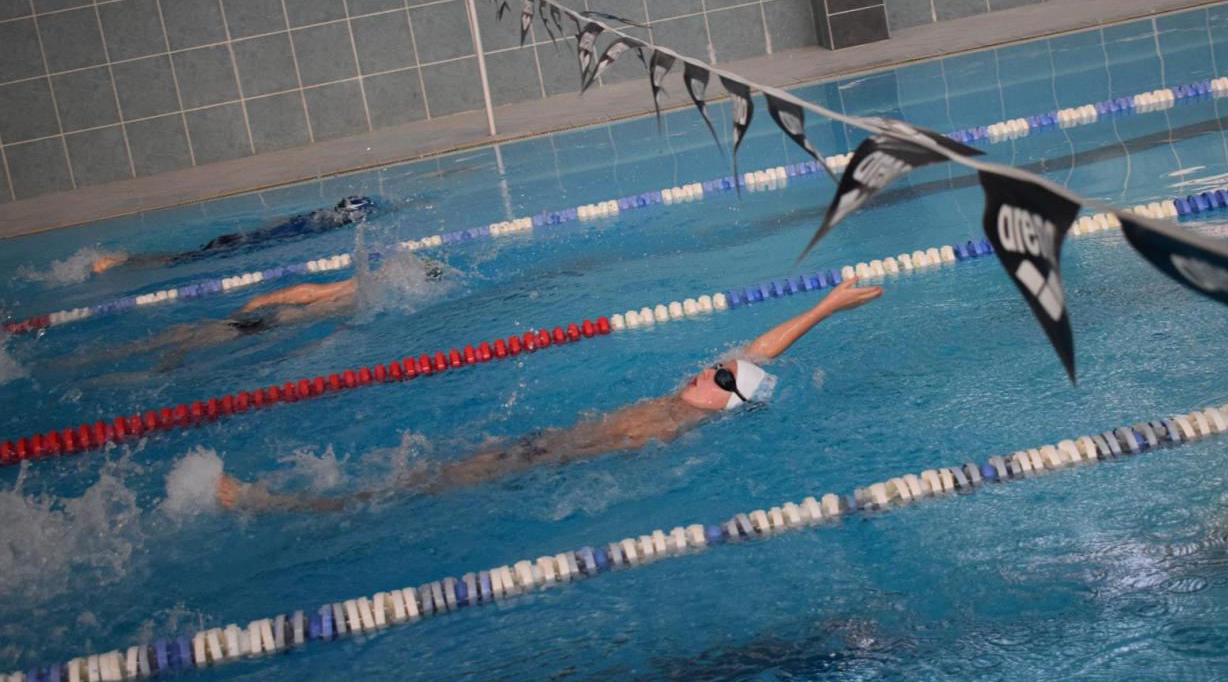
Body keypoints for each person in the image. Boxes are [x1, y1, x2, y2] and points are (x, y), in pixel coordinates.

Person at [218, 278, 885, 514]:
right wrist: (826, 305)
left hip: (538, 461)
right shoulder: (685, 407)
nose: (709, 372)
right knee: (417, 475)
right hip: (538, 450)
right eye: (716, 369)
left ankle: (273, 503)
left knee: (409, 487)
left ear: (728, 407)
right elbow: (758, 351)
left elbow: (755, 361)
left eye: (720, 381)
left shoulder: (669, 428)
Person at [73, 259, 444, 373]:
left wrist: (259, 301)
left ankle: (104, 356)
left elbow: (308, 292)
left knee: (191, 332)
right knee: (192, 343)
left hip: (276, 317)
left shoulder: (368, 283)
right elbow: (310, 295)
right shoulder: (372, 289)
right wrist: (258, 305)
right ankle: (144, 369)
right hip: (275, 322)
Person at [91, 196, 376, 273]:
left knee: (188, 256)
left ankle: (125, 260)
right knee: (182, 259)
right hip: (241, 245)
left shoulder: (315, 215)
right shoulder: (325, 225)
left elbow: (274, 223)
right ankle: (123, 261)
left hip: (239, 237)